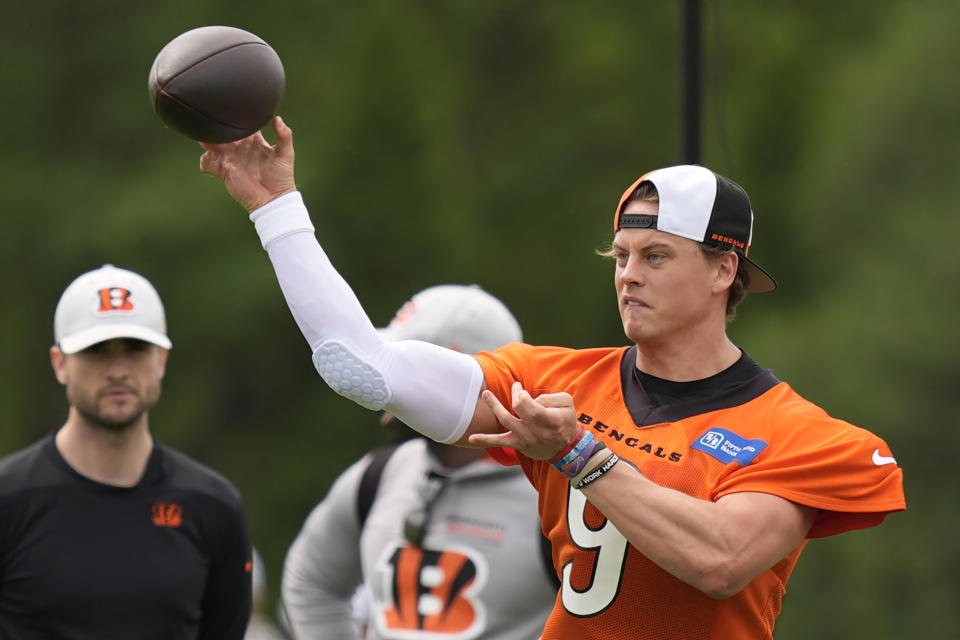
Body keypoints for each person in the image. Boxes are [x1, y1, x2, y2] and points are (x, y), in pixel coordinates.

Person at [200, 118, 906, 640]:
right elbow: (361, 365)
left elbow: (718, 560)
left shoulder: (803, 435)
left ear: (725, 271)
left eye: (656, 256)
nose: (628, 274)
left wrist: (579, 457)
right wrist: (275, 208)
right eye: (621, 255)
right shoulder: (553, 379)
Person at [281, 284, 559, 639]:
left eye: (401, 365)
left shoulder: (555, 493)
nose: (381, 379)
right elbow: (311, 581)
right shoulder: (378, 475)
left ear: (455, 379)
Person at [0, 264, 253, 639]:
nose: (118, 370)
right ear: (60, 364)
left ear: (162, 361)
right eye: (97, 350)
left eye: (135, 349)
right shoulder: (9, 499)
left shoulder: (213, 506)